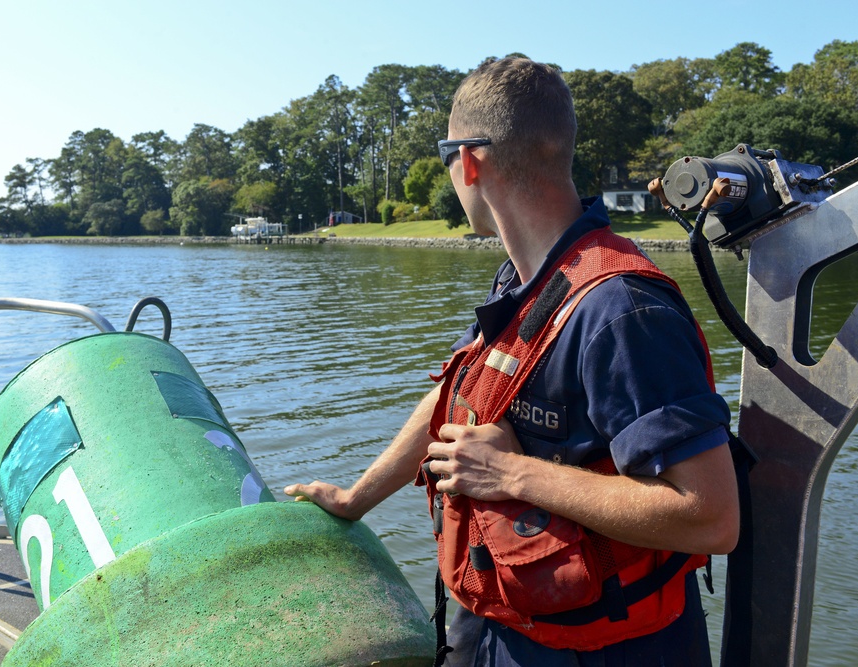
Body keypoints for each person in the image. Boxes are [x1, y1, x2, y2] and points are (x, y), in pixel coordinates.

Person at [285, 57, 739, 666]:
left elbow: (711, 518)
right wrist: (354, 499)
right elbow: (457, 399)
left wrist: (514, 476)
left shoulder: (621, 310)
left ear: (469, 161)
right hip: (504, 625)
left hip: (607, 650)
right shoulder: (526, 280)